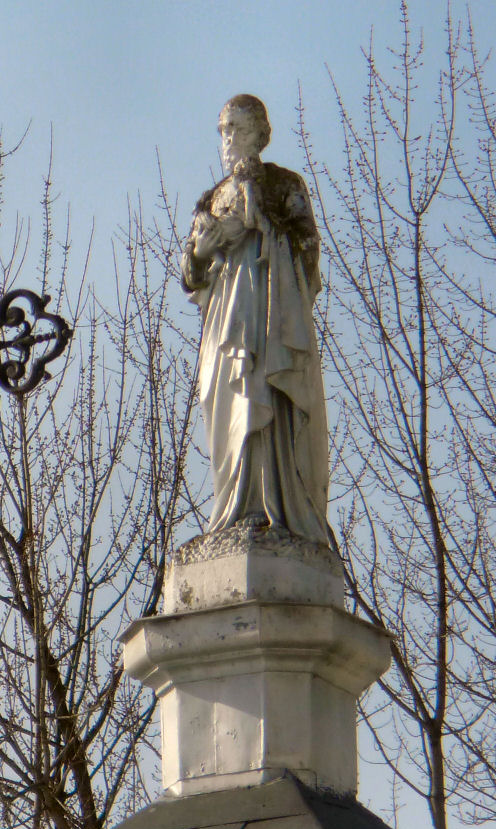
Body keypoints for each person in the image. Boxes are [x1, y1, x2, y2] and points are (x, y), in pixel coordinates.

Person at [181, 94, 330, 544]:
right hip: (226, 321)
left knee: (267, 397)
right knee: (227, 402)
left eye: (240, 129)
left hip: (270, 314)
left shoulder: (284, 184)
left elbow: (308, 250)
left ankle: (274, 508)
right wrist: (202, 253)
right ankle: (232, 507)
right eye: (225, 129)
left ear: (262, 135)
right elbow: (191, 273)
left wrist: (257, 218)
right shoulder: (211, 197)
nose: (230, 138)